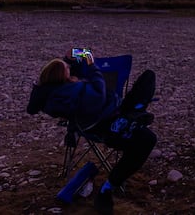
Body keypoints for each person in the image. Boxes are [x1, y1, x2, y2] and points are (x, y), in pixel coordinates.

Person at [27, 52, 157, 214]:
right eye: (67, 68)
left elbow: (32, 105)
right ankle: (107, 188)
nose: (70, 68)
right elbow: (99, 92)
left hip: (113, 111)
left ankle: (134, 114)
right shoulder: (73, 91)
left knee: (148, 77)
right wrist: (91, 65)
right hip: (105, 125)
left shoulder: (57, 91)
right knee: (147, 140)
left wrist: (73, 55)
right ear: (62, 76)